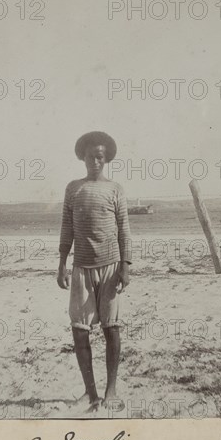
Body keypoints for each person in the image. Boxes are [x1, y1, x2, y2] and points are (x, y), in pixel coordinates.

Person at [57, 131, 132, 412]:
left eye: (100, 157)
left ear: (107, 158)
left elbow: (124, 229)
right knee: (79, 332)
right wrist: (61, 265)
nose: (95, 161)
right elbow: (67, 228)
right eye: (90, 156)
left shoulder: (115, 189)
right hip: (80, 269)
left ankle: (111, 391)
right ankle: (91, 393)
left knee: (112, 329)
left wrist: (126, 265)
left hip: (111, 266)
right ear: (83, 157)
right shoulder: (73, 188)